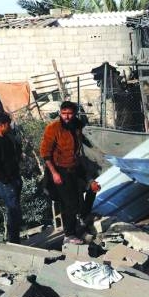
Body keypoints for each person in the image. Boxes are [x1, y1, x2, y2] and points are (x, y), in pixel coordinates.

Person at [40, 101, 99, 245]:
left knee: (92, 189)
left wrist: (89, 178)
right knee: (69, 203)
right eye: (64, 113)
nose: (66, 116)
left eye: (70, 113)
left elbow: (79, 151)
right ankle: (69, 234)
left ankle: (81, 222)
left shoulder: (77, 126)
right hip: (59, 169)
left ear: (74, 114)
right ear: (60, 113)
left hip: (74, 167)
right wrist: (54, 173)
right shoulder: (53, 128)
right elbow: (45, 153)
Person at [0, 112, 23, 243]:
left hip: (15, 178)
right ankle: (14, 242)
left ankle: (15, 239)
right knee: (13, 211)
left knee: (16, 211)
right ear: (1, 125)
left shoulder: (7, 138)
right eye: (8, 124)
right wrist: (6, 180)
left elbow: (15, 154)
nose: (10, 127)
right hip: (6, 183)